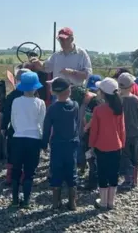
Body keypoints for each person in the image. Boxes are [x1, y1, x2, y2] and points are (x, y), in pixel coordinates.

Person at [42, 77, 80, 210]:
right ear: (69, 90)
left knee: (56, 170)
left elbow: (46, 128)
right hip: (72, 143)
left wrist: (44, 143)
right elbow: (77, 123)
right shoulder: (75, 105)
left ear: (54, 92)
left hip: (57, 144)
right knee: (72, 170)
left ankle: (55, 203)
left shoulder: (52, 108)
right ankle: (72, 202)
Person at [10, 71, 46, 208]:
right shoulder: (40, 103)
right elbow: (42, 123)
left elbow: (13, 121)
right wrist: (43, 139)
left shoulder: (16, 101)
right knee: (30, 170)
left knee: (16, 168)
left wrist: (19, 129)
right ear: (36, 87)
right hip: (34, 139)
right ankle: (26, 200)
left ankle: (14, 199)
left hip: (18, 138)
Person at [89, 77, 125, 209]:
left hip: (101, 145)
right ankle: (111, 202)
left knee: (102, 173)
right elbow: (122, 130)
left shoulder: (99, 110)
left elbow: (94, 131)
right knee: (114, 173)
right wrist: (122, 143)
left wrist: (91, 145)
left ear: (103, 93)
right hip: (116, 145)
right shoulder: (119, 109)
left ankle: (103, 202)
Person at [0, 68, 31, 185]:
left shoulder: (12, 96)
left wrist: (3, 127)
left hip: (14, 129)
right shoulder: (34, 96)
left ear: (17, 80)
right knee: (25, 153)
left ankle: (11, 176)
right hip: (29, 130)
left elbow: (6, 114)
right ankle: (23, 175)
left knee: (12, 153)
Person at [117, 73, 138, 189]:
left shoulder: (118, 101)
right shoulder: (135, 99)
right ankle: (134, 180)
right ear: (131, 86)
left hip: (123, 132)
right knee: (134, 155)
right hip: (135, 131)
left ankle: (128, 179)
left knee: (125, 155)